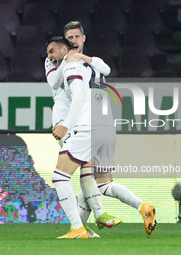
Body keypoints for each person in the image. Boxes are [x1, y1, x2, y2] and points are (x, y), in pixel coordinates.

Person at [59, 21, 157, 236]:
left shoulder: (81, 64)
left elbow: (106, 69)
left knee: (69, 176)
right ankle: (143, 207)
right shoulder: (78, 63)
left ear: (83, 38)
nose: (73, 41)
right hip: (105, 126)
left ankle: (78, 229)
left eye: (76, 37)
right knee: (100, 183)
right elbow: (106, 70)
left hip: (91, 126)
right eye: (69, 39)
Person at [47, 37, 122, 239]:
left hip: (83, 126)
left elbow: (79, 96)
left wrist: (64, 125)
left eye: (52, 51)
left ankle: (79, 228)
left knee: (60, 177)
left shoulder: (72, 66)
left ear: (65, 50)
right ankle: (88, 222)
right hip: (96, 125)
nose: (49, 56)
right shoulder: (83, 66)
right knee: (86, 175)